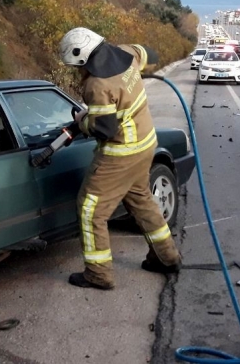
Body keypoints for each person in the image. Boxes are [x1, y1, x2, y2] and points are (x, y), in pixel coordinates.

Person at [58, 27, 181, 290]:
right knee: (142, 201)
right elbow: (151, 53)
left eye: (76, 66)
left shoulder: (97, 85)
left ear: (82, 58)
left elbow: (104, 129)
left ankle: (98, 274)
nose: (77, 72)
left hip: (120, 154)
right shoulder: (126, 53)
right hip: (146, 145)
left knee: (91, 210)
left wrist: (82, 122)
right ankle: (167, 257)